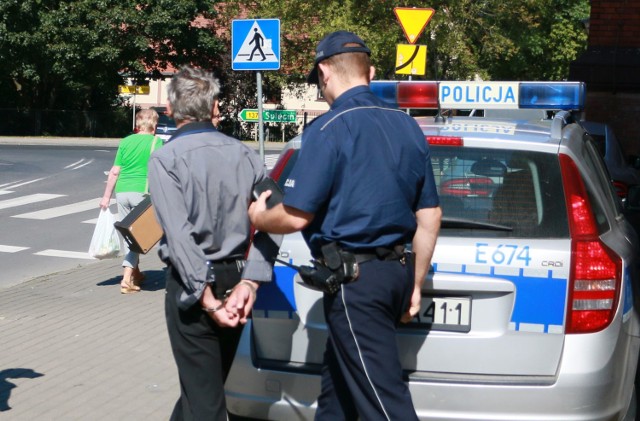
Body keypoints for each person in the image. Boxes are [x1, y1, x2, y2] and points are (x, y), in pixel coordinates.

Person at [247, 31, 442, 420]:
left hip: (357, 284)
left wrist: (258, 216)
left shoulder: (328, 129)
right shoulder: (407, 127)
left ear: (324, 72)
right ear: (369, 72)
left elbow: (294, 216)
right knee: (337, 394)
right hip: (394, 274)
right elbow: (430, 215)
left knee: (385, 403)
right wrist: (415, 285)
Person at [147, 65, 279, 420]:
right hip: (236, 281)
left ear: (171, 110)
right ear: (212, 106)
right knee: (203, 386)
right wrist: (251, 280)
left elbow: (179, 236)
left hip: (193, 288)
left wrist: (206, 300)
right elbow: (277, 218)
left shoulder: (166, 159)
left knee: (205, 400)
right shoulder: (245, 154)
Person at [100, 108, 163, 294]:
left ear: (137, 125)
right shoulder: (156, 142)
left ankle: (137, 274)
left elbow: (114, 171)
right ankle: (127, 279)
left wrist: (105, 197)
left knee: (130, 236)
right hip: (141, 195)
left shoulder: (125, 141)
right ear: (155, 125)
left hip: (122, 192)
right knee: (139, 239)